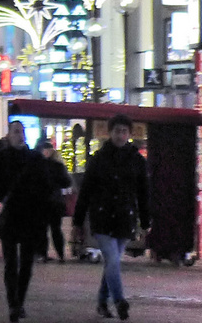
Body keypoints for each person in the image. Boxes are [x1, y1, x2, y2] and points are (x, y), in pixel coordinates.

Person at [0, 123, 68, 321]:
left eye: (22, 132)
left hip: (31, 217)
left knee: (26, 264)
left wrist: (43, 202)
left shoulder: (35, 158)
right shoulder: (1, 158)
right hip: (10, 217)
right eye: (16, 132)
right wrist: (4, 196)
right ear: (8, 135)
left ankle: (19, 301)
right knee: (10, 263)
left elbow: (47, 184)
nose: (19, 136)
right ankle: (13, 303)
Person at [74, 115, 150, 321]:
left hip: (125, 218)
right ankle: (119, 300)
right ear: (110, 132)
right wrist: (78, 221)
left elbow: (144, 193)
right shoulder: (98, 159)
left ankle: (101, 301)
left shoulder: (137, 161)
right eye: (117, 131)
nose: (120, 135)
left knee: (112, 262)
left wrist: (146, 221)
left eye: (124, 131)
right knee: (113, 259)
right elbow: (86, 191)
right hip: (103, 217)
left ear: (130, 134)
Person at [35, 138, 71, 262]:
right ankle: (60, 254)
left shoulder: (37, 165)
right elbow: (67, 182)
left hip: (41, 202)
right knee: (56, 229)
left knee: (42, 229)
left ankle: (43, 254)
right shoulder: (58, 165)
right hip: (55, 201)